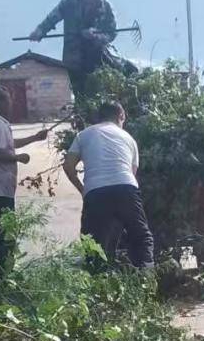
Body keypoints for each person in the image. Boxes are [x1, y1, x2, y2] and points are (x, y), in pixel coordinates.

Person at [62, 101, 154, 268]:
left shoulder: (84, 135)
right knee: (141, 237)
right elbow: (131, 173)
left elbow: (68, 166)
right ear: (121, 116)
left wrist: (83, 190)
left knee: (94, 244)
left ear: (99, 117)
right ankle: (146, 277)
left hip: (95, 192)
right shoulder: (129, 138)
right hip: (126, 188)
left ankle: (98, 278)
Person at [0, 86, 48, 278]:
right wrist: (19, 158)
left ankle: (3, 274)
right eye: (7, 100)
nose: (11, 103)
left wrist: (35, 137)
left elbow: (9, 143)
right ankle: (3, 276)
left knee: (5, 231)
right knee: (5, 232)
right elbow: (0, 152)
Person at [29, 0, 118, 98]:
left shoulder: (106, 7)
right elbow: (52, 18)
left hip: (97, 60)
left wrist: (98, 37)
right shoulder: (69, 3)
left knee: (97, 94)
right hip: (74, 58)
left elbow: (112, 32)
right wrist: (40, 31)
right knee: (79, 93)